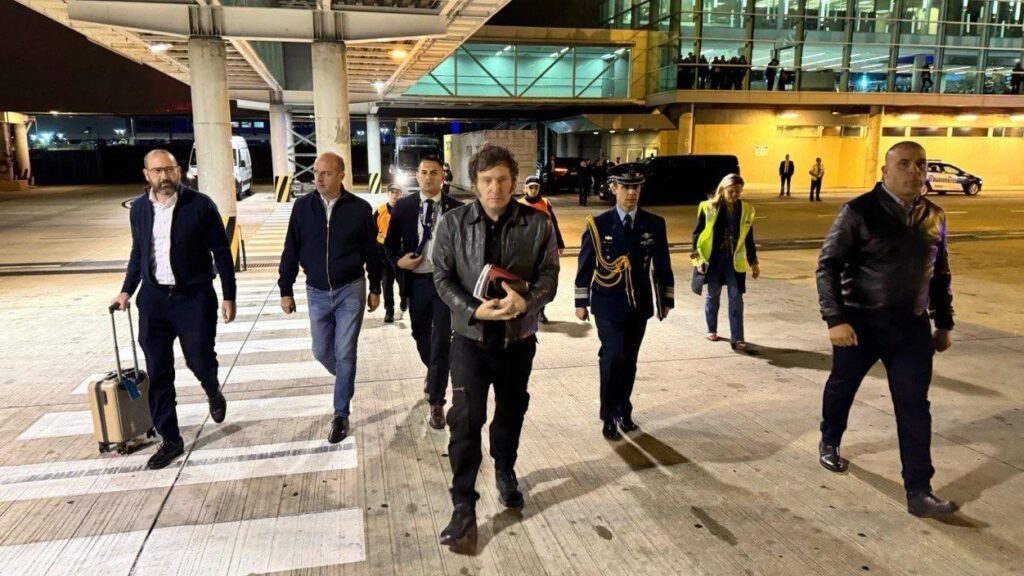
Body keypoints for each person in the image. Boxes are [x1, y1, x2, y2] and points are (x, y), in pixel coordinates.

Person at [816, 141, 957, 518]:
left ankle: (919, 491)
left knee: (914, 407)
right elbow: (827, 266)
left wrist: (943, 321)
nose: (914, 171)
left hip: (911, 327)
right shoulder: (858, 211)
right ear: (885, 171)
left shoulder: (935, 215)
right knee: (842, 386)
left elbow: (940, 273)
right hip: (860, 323)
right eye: (904, 164)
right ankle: (829, 439)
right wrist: (835, 318)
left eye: (920, 164)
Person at [433, 144, 559, 545]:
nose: (495, 188)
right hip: (470, 339)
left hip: (517, 340)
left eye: (503, 179)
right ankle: (462, 505)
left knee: (511, 411)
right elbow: (441, 277)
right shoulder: (453, 223)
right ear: (474, 183)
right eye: (486, 180)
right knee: (466, 419)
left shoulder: (537, 224)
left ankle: (505, 468)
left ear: (514, 181)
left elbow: (550, 275)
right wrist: (474, 309)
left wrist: (528, 303)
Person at [111, 149, 236, 470]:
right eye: (157, 171)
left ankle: (212, 388)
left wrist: (229, 295)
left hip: (194, 298)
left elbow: (222, 251)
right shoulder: (139, 209)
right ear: (147, 175)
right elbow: (139, 252)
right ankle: (170, 439)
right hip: (154, 300)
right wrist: (126, 290)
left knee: (199, 359)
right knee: (158, 371)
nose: (164, 177)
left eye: (169, 170)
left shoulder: (200, 205)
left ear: (179, 171)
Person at [278, 152, 382, 444]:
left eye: (325, 173)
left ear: (341, 175)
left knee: (345, 351)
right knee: (322, 351)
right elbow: (291, 249)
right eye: (316, 173)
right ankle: (346, 378)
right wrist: (285, 289)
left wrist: (376, 288)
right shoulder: (302, 207)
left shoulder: (359, 209)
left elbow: (372, 252)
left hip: (350, 289)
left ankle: (341, 414)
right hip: (316, 292)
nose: (319, 179)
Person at [575, 163, 674, 441]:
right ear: (614, 188)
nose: (631, 193)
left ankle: (623, 409)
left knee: (629, 360)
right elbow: (586, 264)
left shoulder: (654, 223)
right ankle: (609, 415)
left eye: (636, 187)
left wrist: (666, 298)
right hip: (607, 302)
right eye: (626, 187)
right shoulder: (598, 224)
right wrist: (581, 301)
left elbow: (662, 264)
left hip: (639, 303)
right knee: (613, 356)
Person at [385, 155, 463, 429]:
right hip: (417, 283)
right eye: (424, 172)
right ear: (417, 176)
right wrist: (399, 262)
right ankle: (433, 368)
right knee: (420, 335)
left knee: (441, 340)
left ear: (443, 176)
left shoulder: (457, 209)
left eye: (434, 172)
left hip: (445, 284)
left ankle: (437, 401)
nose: (429, 177)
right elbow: (389, 245)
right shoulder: (404, 207)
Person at [689, 174, 760, 349]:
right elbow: (697, 235)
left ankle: (737, 337)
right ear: (722, 189)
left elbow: (749, 238)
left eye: (738, 191)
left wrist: (753, 262)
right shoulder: (708, 207)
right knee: (713, 295)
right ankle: (711, 329)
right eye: (731, 191)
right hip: (714, 259)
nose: (735, 195)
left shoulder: (747, 210)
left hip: (734, 261)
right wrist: (697, 258)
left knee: (736, 297)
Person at [519, 174, 565, 324]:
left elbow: (554, 224)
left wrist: (560, 244)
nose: (533, 190)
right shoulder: (519, 204)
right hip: (526, 248)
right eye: (531, 187)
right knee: (528, 280)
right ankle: (528, 309)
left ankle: (540, 311)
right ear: (525, 189)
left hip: (544, 247)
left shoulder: (545, 203)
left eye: (536, 187)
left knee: (543, 280)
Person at [373, 183, 406, 323]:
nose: (394, 195)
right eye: (392, 192)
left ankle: (404, 300)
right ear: (388, 194)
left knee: (403, 283)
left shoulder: (406, 211)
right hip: (384, 254)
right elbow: (372, 231)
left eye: (397, 192)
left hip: (400, 254)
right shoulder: (380, 211)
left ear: (401, 194)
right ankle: (389, 310)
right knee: (387, 284)